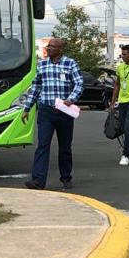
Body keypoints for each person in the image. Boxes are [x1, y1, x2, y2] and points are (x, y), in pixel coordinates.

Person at [21, 38, 84, 190]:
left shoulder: (70, 64)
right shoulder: (42, 65)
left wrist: (70, 99)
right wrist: (27, 108)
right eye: (48, 46)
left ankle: (66, 177)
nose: (48, 48)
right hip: (46, 110)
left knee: (65, 146)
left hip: (64, 111)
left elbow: (79, 83)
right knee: (43, 144)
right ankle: (38, 180)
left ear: (60, 49)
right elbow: (36, 87)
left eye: (52, 46)